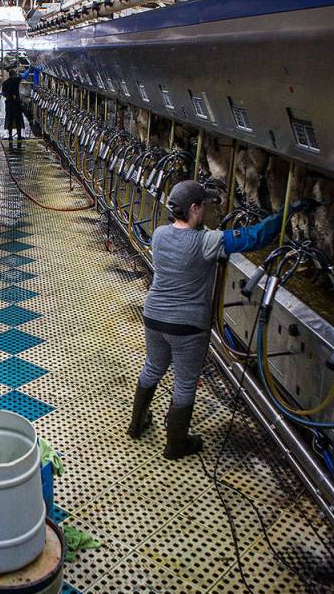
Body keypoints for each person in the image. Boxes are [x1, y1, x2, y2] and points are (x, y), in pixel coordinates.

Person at [127, 179, 319, 460]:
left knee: (153, 366)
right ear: (194, 208)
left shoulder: (159, 234)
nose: (205, 209)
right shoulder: (207, 241)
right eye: (202, 205)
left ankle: (137, 423)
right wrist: (287, 212)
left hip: (154, 315)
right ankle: (176, 444)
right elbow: (255, 237)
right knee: (184, 383)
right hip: (187, 326)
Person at [1, 68, 25, 144]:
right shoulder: (16, 80)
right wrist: (30, 68)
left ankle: (10, 136)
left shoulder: (5, 83)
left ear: (9, 75)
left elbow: (4, 94)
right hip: (17, 103)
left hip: (9, 103)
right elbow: (24, 76)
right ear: (14, 74)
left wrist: (9, 96)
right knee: (18, 120)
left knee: (10, 120)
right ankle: (19, 135)